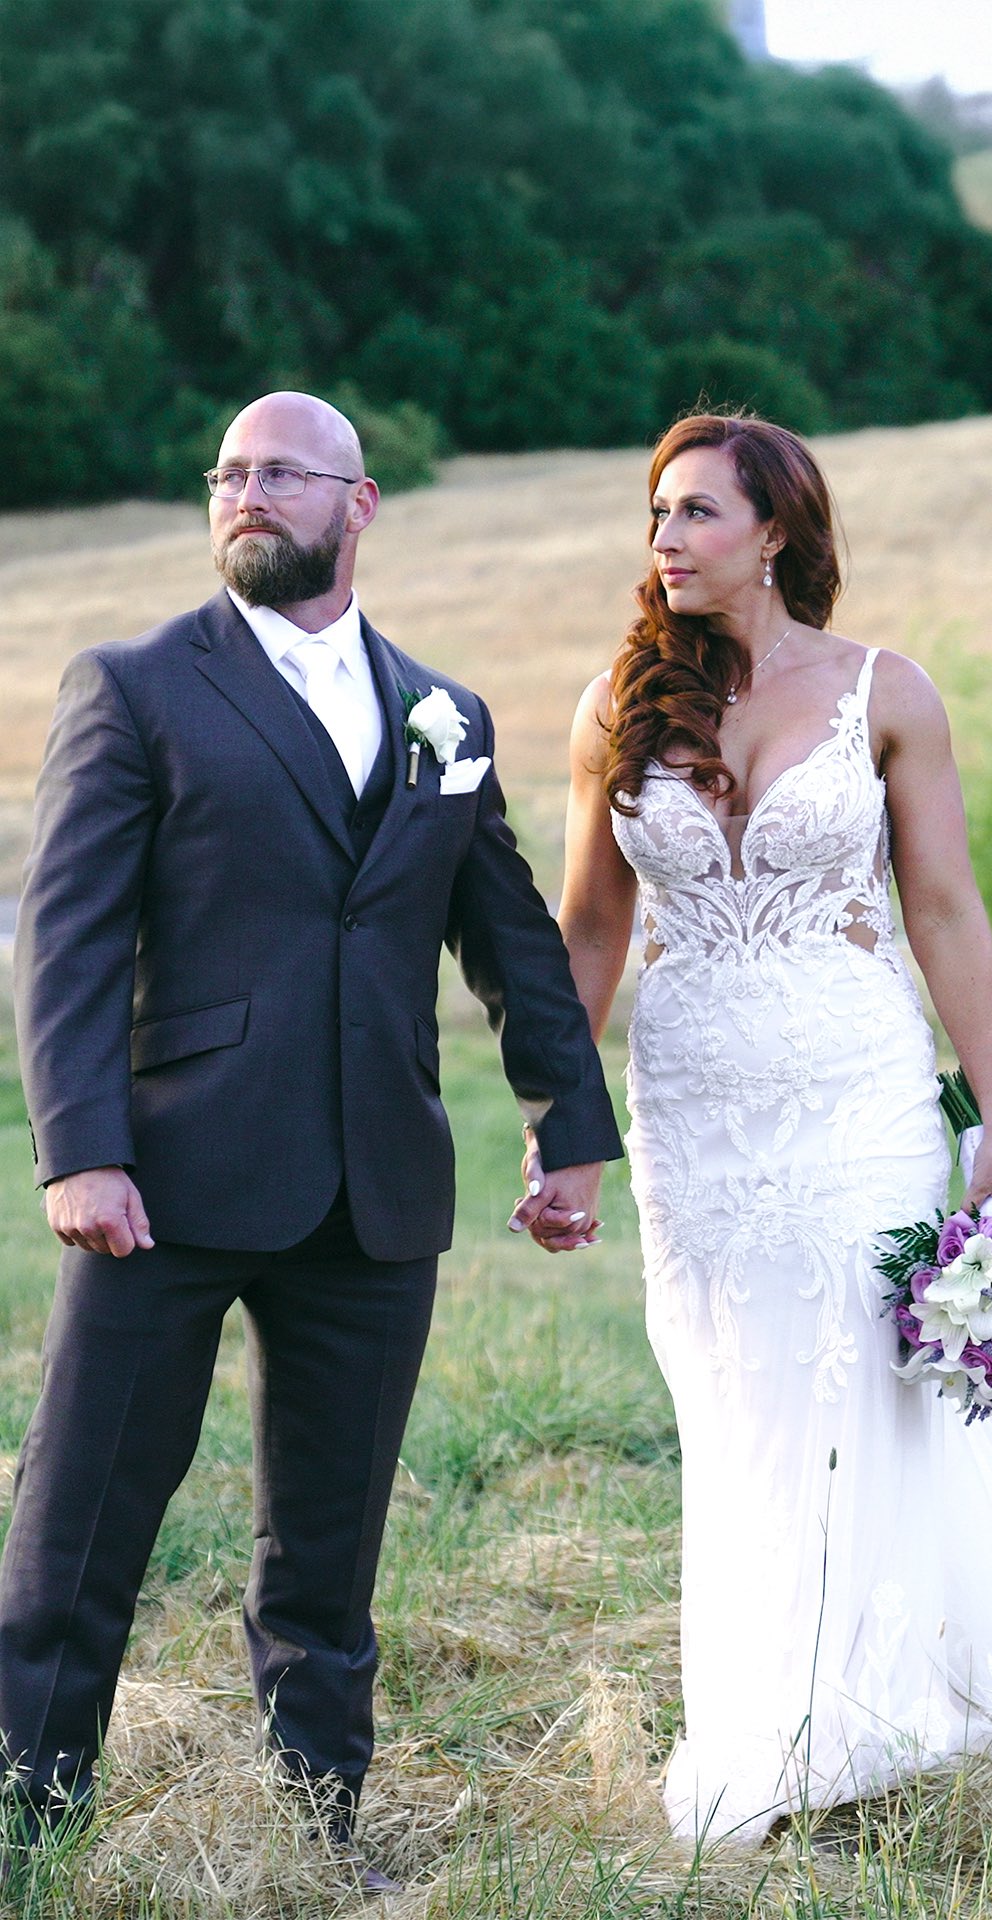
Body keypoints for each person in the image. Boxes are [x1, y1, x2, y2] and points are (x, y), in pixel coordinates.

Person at [0, 391, 621, 1885]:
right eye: (226, 471)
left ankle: (316, 1828)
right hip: (167, 1175)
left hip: (375, 1190)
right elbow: (66, 938)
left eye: (280, 472)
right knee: (82, 1520)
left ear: (361, 503)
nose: (245, 493)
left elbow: (513, 942)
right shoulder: (139, 686)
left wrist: (569, 1126)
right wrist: (79, 1146)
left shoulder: (445, 716)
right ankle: (27, 1821)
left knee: (328, 1550)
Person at [533, 411, 992, 1842]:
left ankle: (889, 1700)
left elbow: (944, 909)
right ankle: (774, 1714)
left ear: (776, 533)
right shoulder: (617, 706)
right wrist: (560, 1118)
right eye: (657, 514)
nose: (668, 540)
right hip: (696, 1107)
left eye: (700, 513)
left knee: (865, 1387)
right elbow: (592, 924)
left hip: (856, 1090)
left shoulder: (885, 693)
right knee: (735, 1397)